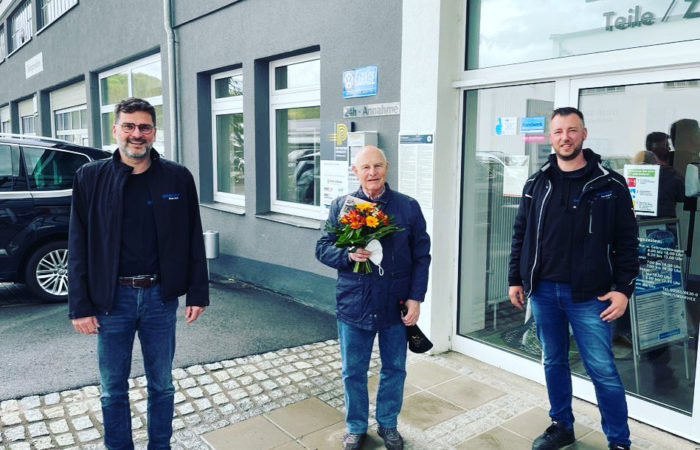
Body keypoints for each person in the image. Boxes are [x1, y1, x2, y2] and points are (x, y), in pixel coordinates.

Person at [68, 97, 209, 449]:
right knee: (112, 388)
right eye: (129, 126)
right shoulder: (90, 177)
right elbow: (78, 243)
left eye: (144, 127)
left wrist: (197, 292)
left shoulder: (177, 177)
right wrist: (79, 306)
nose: (136, 134)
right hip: (111, 300)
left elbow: (193, 236)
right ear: (115, 130)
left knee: (162, 384)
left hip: (160, 298)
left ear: (154, 132)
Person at [508, 107, 638, 450]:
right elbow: (520, 234)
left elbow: (628, 242)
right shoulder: (536, 183)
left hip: (591, 296)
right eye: (558, 131)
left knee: (602, 370)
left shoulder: (610, 184)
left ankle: (619, 442)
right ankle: (561, 425)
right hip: (544, 291)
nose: (565, 137)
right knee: (553, 360)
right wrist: (515, 278)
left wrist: (623, 290)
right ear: (550, 137)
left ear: (583, 133)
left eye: (572, 130)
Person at [316, 145, 431, 450]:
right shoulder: (343, 206)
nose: (372, 173)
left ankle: (388, 423)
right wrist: (347, 255)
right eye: (365, 167)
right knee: (353, 371)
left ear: (387, 167)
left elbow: (421, 256)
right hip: (354, 303)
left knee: (394, 368)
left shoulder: (407, 207)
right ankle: (355, 426)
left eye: (377, 166)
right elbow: (322, 248)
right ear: (355, 171)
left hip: (395, 304)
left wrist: (415, 297)